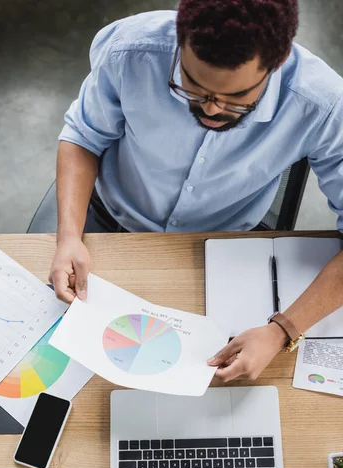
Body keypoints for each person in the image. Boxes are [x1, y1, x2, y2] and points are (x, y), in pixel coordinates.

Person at [50, 0, 343, 382]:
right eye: (192, 87)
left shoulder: (323, 104)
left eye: (235, 99)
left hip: (224, 242)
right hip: (107, 218)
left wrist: (281, 330)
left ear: (279, 61)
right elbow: (83, 137)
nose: (210, 110)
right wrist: (68, 237)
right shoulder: (131, 50)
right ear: (180, 39)